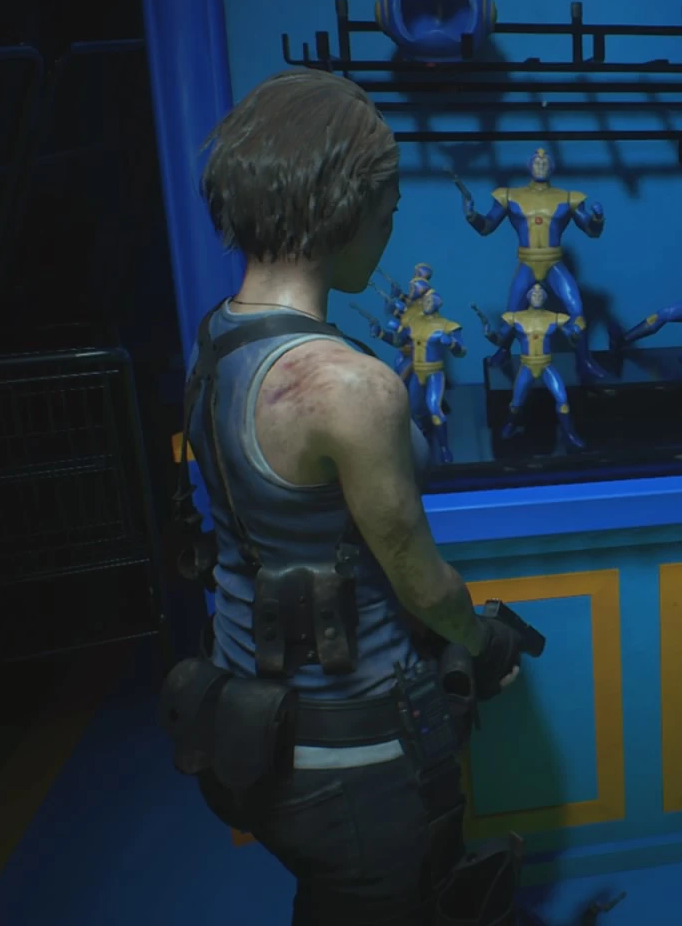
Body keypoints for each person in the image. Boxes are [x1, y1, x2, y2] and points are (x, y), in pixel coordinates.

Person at [160, 68, 532, 926]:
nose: (391, 228)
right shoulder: (349, 387)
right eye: (388, 208)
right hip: (357, 760)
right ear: (347, 209)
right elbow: (423, 585)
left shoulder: (217, 338)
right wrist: (484, 644)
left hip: (249, 731)